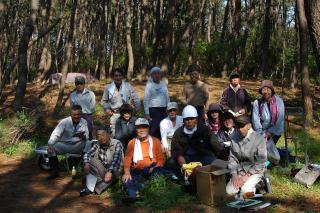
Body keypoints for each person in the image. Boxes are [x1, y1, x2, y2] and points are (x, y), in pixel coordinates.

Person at [170, 105, 225, 171]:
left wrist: (223, 154)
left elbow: (215, 144)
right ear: (183, 120)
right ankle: (184, 176)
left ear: (196, 119)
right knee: (172, 163)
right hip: (187, 158)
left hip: (203, 157)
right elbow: (175, 149)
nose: (189, 121)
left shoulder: (204, 129)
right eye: (187, 119)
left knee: (217, 162)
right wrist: (179, 157)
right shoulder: (178, 132)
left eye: (192, 119)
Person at [122, 118, 164, 201]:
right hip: (137, 170)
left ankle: (143, 190)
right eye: (139, 127)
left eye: (144, 127)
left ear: (148, 128)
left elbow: (161, 160)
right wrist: (126, 172)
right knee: (127, 179)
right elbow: (127, 159)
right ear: (136, 129)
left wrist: (153, 168)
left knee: (158, 176)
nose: (141, 130)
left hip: (153, 169)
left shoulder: (156, 141)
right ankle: (133, 195)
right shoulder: (132, 142)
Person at [226, 115, 267, 198]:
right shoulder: (234, 138)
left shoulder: (259, 139)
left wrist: (247, 176)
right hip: (240, 170)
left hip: (255, 171)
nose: (240, 129)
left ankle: (259, 185)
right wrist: (234, 175)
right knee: (229, 191)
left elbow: (261, 162)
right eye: (237, 127)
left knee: (246, 193)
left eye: (242, 126)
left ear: (249, 126)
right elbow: (232, 158)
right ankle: (250, 188)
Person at [47, 105, 90, 179]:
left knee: (88, 143)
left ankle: (84, 166)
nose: (77, 116)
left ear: (81, 114)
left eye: (78, 114)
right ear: (71, 114)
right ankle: (55, 171)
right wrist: (50, 144)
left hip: (77, 145)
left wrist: (83, 136)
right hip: (65, 145)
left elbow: (87, 136)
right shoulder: (64, 121)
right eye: (74, 115)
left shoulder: (84, 121)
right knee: (51, 149)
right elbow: (56, 133)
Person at [80, 126, 123, 196]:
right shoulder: (97, 145)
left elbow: (116, 160)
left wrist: (109, 172)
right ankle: (99, 182)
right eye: (99, 136)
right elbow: (87, 154)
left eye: (103, 134)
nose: (101, 138)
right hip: (103, 170)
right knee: (90, 160)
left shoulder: (117, 143)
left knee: (115, 172)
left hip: (115, 169)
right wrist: (86, 163)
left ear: (109, 134)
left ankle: (94, 188)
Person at [100, 68, 140, 135]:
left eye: (120, 75)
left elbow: (136, 99)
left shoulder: (128, 86)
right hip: (115, 114)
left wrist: (134, 111)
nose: (118, 77)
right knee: (114, 134)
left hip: (127, 114)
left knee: (128, 134)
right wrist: (107, 109)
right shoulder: (109, 87)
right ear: (113, 77)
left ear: (122, 76)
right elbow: (104, 101)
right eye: (116, 75)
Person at [252, 80, 285, 144]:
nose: (266, 92)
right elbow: (255, 119)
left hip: (275, 130)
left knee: (269, 148)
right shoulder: (257, 102)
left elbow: (280, 119)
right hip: (262, 130)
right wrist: (260, 133)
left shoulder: (279, 101)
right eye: (263, 89)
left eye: (268, 89)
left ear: (272, 91)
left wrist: (270, 132)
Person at [143, 66, 170, 139]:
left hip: (164, 109)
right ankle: (151, 141)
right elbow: (146, 99)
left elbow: (167, 96)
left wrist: (169, 107)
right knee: (155, 127)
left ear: (160, 75)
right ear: (151, 75)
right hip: (154, 109)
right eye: (154, 73)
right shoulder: (149, 85)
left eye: (158, 73)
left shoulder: (163, 83)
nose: (157, 75)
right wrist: (147, 113)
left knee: (164, 125)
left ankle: (162, 142)